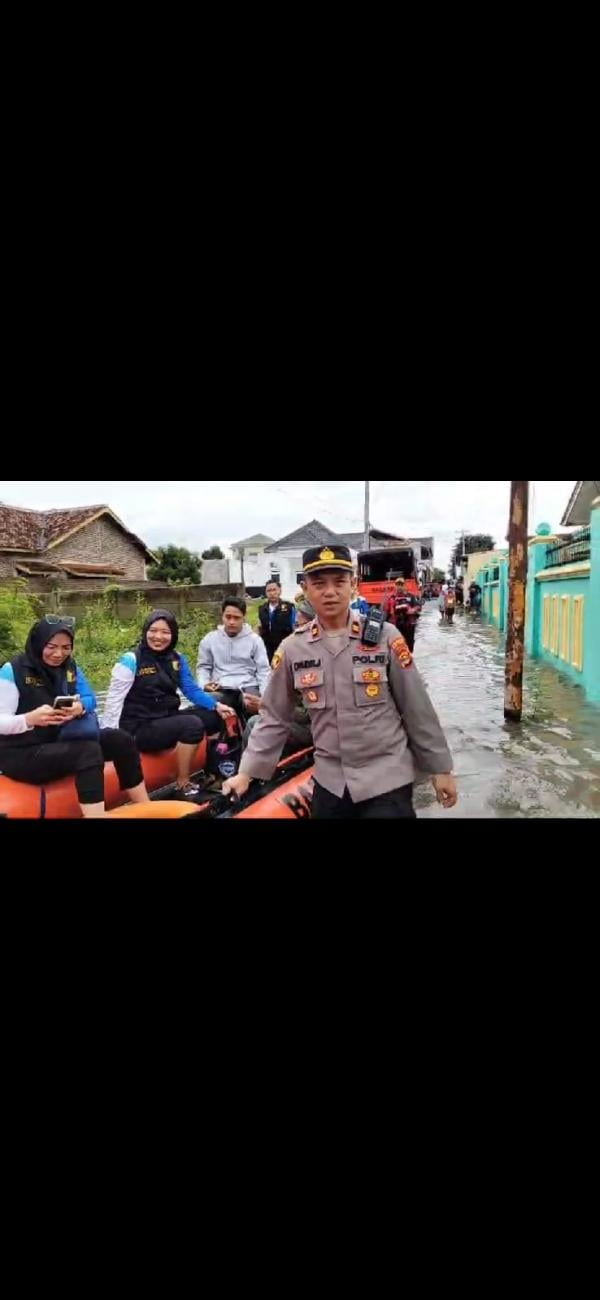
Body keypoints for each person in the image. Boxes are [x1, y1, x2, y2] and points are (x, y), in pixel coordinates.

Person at [224, 546, 458, 820]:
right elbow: (274, 717)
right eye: (319, 584)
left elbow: (416, 707)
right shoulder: (292, 649)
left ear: (353, 585)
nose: (330, 591)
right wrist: (246, 772)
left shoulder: (384, 636)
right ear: (306, 588)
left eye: (339, 582)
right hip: (330, 781)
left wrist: (440, 768)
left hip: (386, 777)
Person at [0, 616, 150, 818]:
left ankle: (145, 806)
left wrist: (79, 707)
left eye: (66, 647)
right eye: (51, 647)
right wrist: (28, 719)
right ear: (38, 643)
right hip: (21, 753)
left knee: (119, 739)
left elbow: (90, 698)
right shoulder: (13, 671)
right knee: (88, 751)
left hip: (58, 740)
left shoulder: (70, 667)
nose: (58, 654)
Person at [102, 609, 235, 797]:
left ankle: (212, 771)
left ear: (173, 635)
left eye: (165, 632)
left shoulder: (177, 659)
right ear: (145, 631)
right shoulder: (130, 660)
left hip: (165, 718)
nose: (158, 637)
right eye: (153, 630)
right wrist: (112, 740)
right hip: (139, 727)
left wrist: (217, 706)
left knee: (212, 715)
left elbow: (191, 690)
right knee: (192, 725)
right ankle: (182, 782)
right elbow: (113, 702)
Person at [242, 598, 315, 755]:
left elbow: (310, 715)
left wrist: (266, 705)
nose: (296, 631)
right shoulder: (293, 651)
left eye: (301, 626)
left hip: (314, 729)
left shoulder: (322, 659)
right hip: (290, 715)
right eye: (295, 626)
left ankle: (252, 775)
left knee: (256, 724)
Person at [197, 597, 271, 723]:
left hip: (249, 686)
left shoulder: (255, 640)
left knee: (257, 713)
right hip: (221, 686)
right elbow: (204, 667)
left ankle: (251, 739)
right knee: (207, 704)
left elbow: (263, 671)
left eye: (236, 618)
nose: (231, 622)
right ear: (222, 616)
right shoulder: (210, 639)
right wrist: (204, 684)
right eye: (228, 617)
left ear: (244, 618)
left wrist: (264, 698)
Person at [258, 580, 296, 664]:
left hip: (284, 647)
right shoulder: (262, 609)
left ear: (280, 591)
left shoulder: (289, 608)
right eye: (269, 591)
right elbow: (259, 628)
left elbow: (294, 628)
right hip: (267, 648)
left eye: (274, 590)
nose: (272, 593)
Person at [385, 578, 421, 652]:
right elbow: (386, 612)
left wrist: (412, 610)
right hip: (396, 625)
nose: (399, 587)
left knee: (409, 644)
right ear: (395, 586)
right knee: (397, 645)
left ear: (404, 586)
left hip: (409, 625)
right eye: (398, 585)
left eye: (401, 585)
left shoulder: (411, 596)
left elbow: (418, 607)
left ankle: (410, 658)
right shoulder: (391, 598)